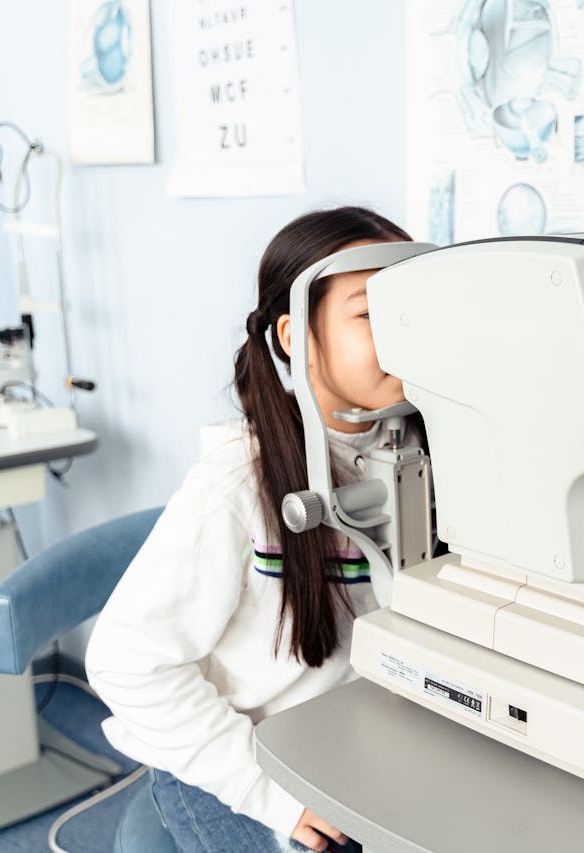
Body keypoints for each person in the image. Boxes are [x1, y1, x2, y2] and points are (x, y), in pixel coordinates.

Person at [86, 207, 419, 853]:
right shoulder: (237, 485)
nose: (404, 333)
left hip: (356, 739)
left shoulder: (421, 450)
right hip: (239, 753)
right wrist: (269, 792)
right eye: (371, 313)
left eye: (412, 306)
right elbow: (127, 664)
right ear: (297, 335)